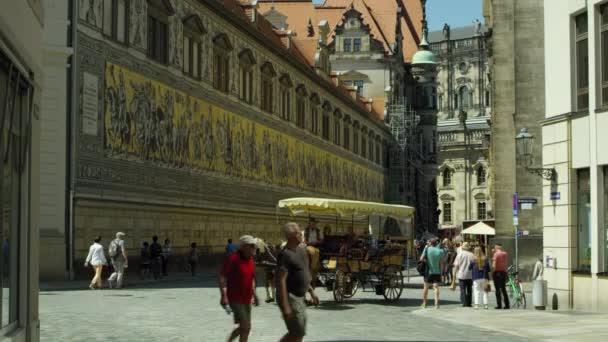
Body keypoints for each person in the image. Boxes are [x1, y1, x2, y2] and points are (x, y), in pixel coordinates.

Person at [277, 222, 319, 342]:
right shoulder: (285, 255)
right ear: (292, 235)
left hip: (300, 297)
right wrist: (285, 306)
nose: (301, 234)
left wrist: (312, 292)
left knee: (299, 333)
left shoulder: (301, 251)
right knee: (297, 332)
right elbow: (281, 281)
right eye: (298, 232)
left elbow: (304, 274)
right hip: (291, 297)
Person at [219, 235, 259, 342]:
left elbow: (252, 278)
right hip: (235, 298)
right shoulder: (233, 259)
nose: (255, 247)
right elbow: (222, 277)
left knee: (245, 327)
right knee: (245, 326)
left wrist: (254, 294)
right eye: (252, 245)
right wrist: (223, 296)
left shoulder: (250, 260)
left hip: (246, 298)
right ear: (244, 247)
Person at [419, 238, 444, 309]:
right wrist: (441, 273)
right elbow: (441, 263)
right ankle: (436, 304)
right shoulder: (440, 251)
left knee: (426, 287)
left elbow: (421, 259)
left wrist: (426, 260)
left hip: (428, 272)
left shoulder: (427, 249)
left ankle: (424, 303)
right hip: (437, 272)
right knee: (436, 287)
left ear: (430, 243)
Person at [452, 242, 474, 307]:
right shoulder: (472, 255)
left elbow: (456, 265)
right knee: (469, 289)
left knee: (463, 289)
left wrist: (454, 275)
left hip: (461, 274)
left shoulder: (459, 255)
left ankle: (464, 302)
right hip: (470, 275)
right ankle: (469, 302)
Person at [492, 243, 510, 309]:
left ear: (496, 248)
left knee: (497, 290)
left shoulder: (496, 254)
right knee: (503, 289)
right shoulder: (505, 254)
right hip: (504, 273)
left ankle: (499, 305)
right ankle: (507, 304)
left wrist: (493, 272)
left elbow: (494, 265)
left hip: (497, 273)